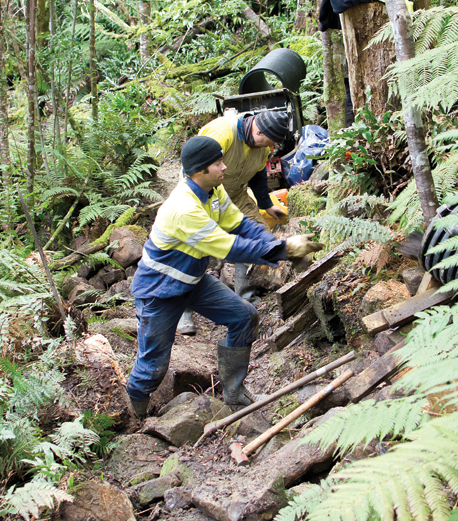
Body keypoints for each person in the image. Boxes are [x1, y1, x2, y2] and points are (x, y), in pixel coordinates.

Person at [126, 135, 320, 418]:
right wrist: (283, 250)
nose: (225, 167)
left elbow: (240, 225)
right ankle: (136, 417)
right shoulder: (183, 208)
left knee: (243, 316)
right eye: (218, 163)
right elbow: (228, 247)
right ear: (200, 170)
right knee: (153, 365)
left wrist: (275, 243)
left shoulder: (213, 191)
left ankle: (235, 395)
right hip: (159, 291)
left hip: (192, 280)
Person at [177, 107, 291, 334]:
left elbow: (258, 175)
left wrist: (266, 205)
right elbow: (193, 165)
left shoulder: (262, 147)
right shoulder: (224, 132)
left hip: (236, 194)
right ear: (258, 132)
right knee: (193, 249)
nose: (271, 148)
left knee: (256, 230)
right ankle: (182, 311)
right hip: (202, 193)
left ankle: (244, 298)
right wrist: (198, 202)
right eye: (270, 142)